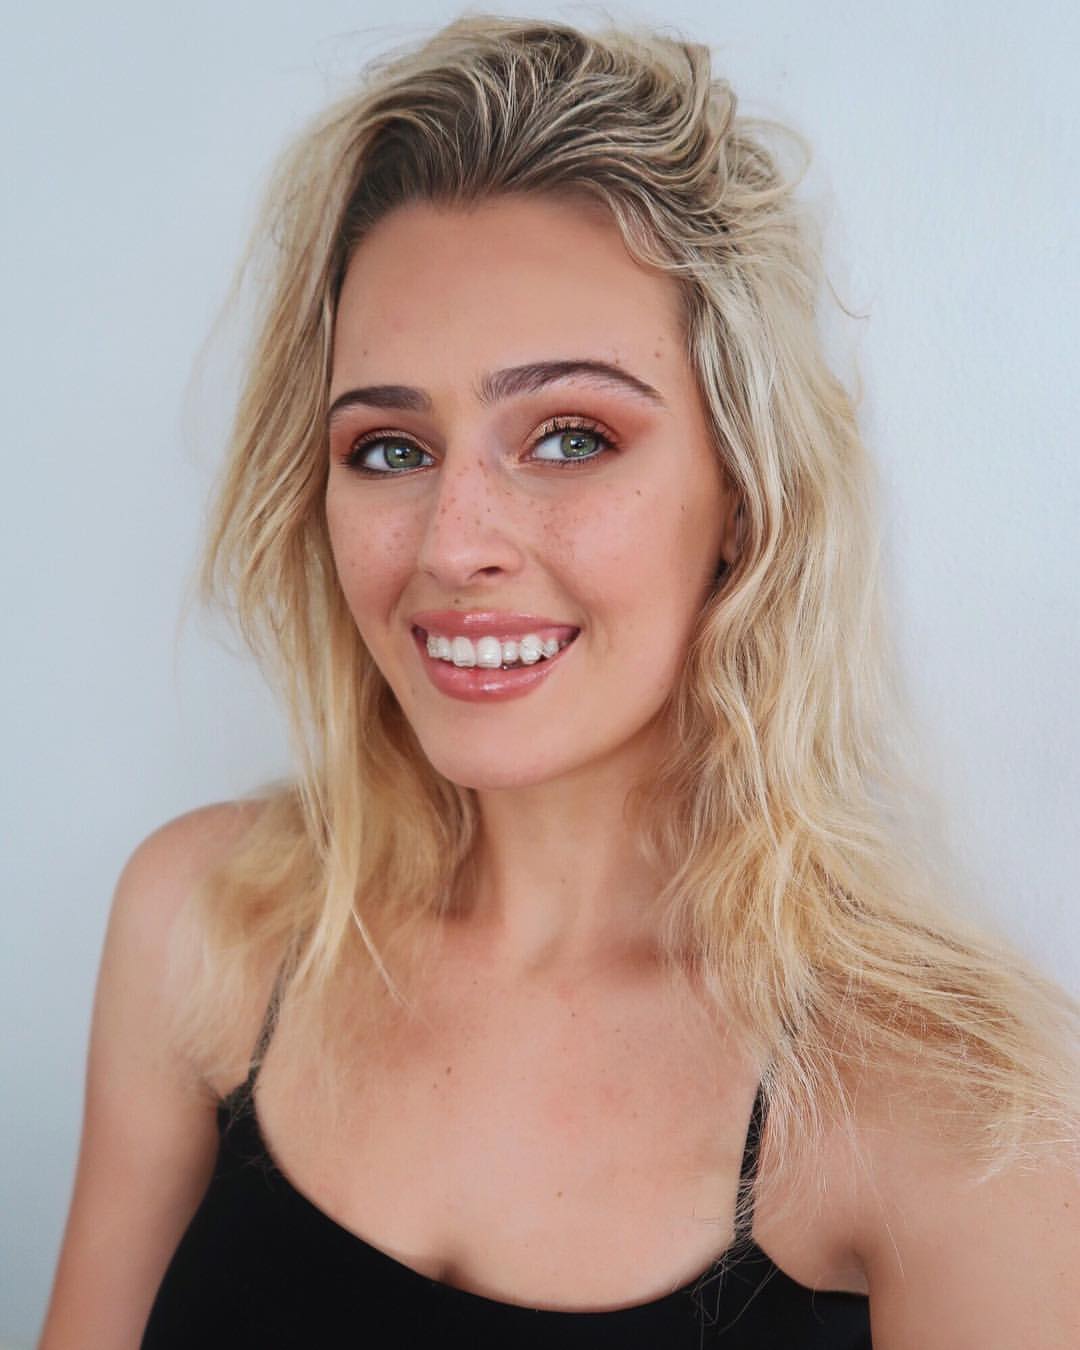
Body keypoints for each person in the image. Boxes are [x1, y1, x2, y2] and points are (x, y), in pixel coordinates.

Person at [40, 13, 1080, 1349]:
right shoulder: (207, 926)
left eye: (572, 435)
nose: (454, 542)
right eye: (389, 448)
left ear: (743, 493)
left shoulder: (959, 1115)